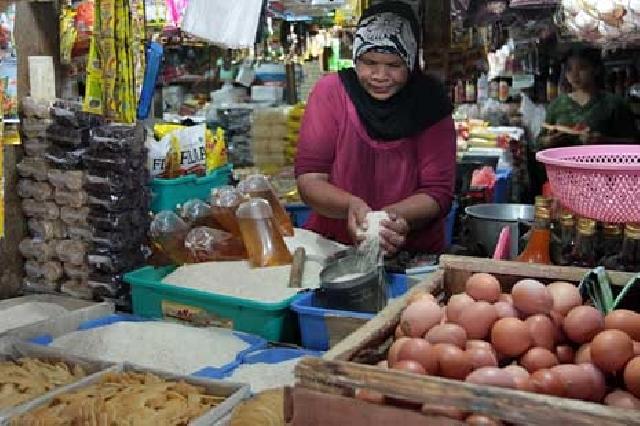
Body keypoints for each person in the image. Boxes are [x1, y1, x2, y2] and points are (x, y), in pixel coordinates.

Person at [294, 1, 456, 256]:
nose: (380, 75)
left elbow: (438, 191)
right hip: (335, 248)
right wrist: (350, 206)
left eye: (394, 65)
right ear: (356, 57)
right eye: (369, 62)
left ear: (411, 61)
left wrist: (389, 221)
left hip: (410, 254)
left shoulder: (430, 102)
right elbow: (310, 178)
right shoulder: (331, 93)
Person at [530, 46, 639, 197]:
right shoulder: (557, 105)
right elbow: (539, 143)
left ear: (596, 69)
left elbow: (633, 145)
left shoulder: (614, 104)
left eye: (582, 68)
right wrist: (548, 141)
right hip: (564, 182)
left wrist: (604, 141)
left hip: (605, 184)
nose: (574, 75)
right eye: (569, 69)